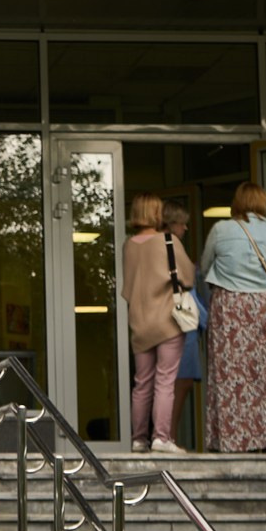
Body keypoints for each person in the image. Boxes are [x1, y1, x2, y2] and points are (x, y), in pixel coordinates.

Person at [197, 181, 266, 454]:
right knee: (260, 375)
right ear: (262, 203)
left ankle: (226, 440)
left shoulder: (221, 229)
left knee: (226, 375)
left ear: (237, 202)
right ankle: (261, 440)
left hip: (228, 306)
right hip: (261, 305)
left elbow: (204, 265)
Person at [121, 193, 189, 454]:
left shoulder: (129, 245)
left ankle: (138, 439)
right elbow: (188, 277)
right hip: (167, 320)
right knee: (165, 380)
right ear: (155, 213)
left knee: (142, 382)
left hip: (139, 322)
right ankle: (161, 437)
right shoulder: (168, 241)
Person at [164, 203, 203, 447]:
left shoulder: (162, 244)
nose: (186, 228)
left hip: (177, 318)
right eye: (182, 223)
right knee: (179, 382)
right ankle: (169, 435)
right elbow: (185, 279)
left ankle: (167, 435)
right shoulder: (171, 245)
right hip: (180, 321)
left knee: (176, 382)